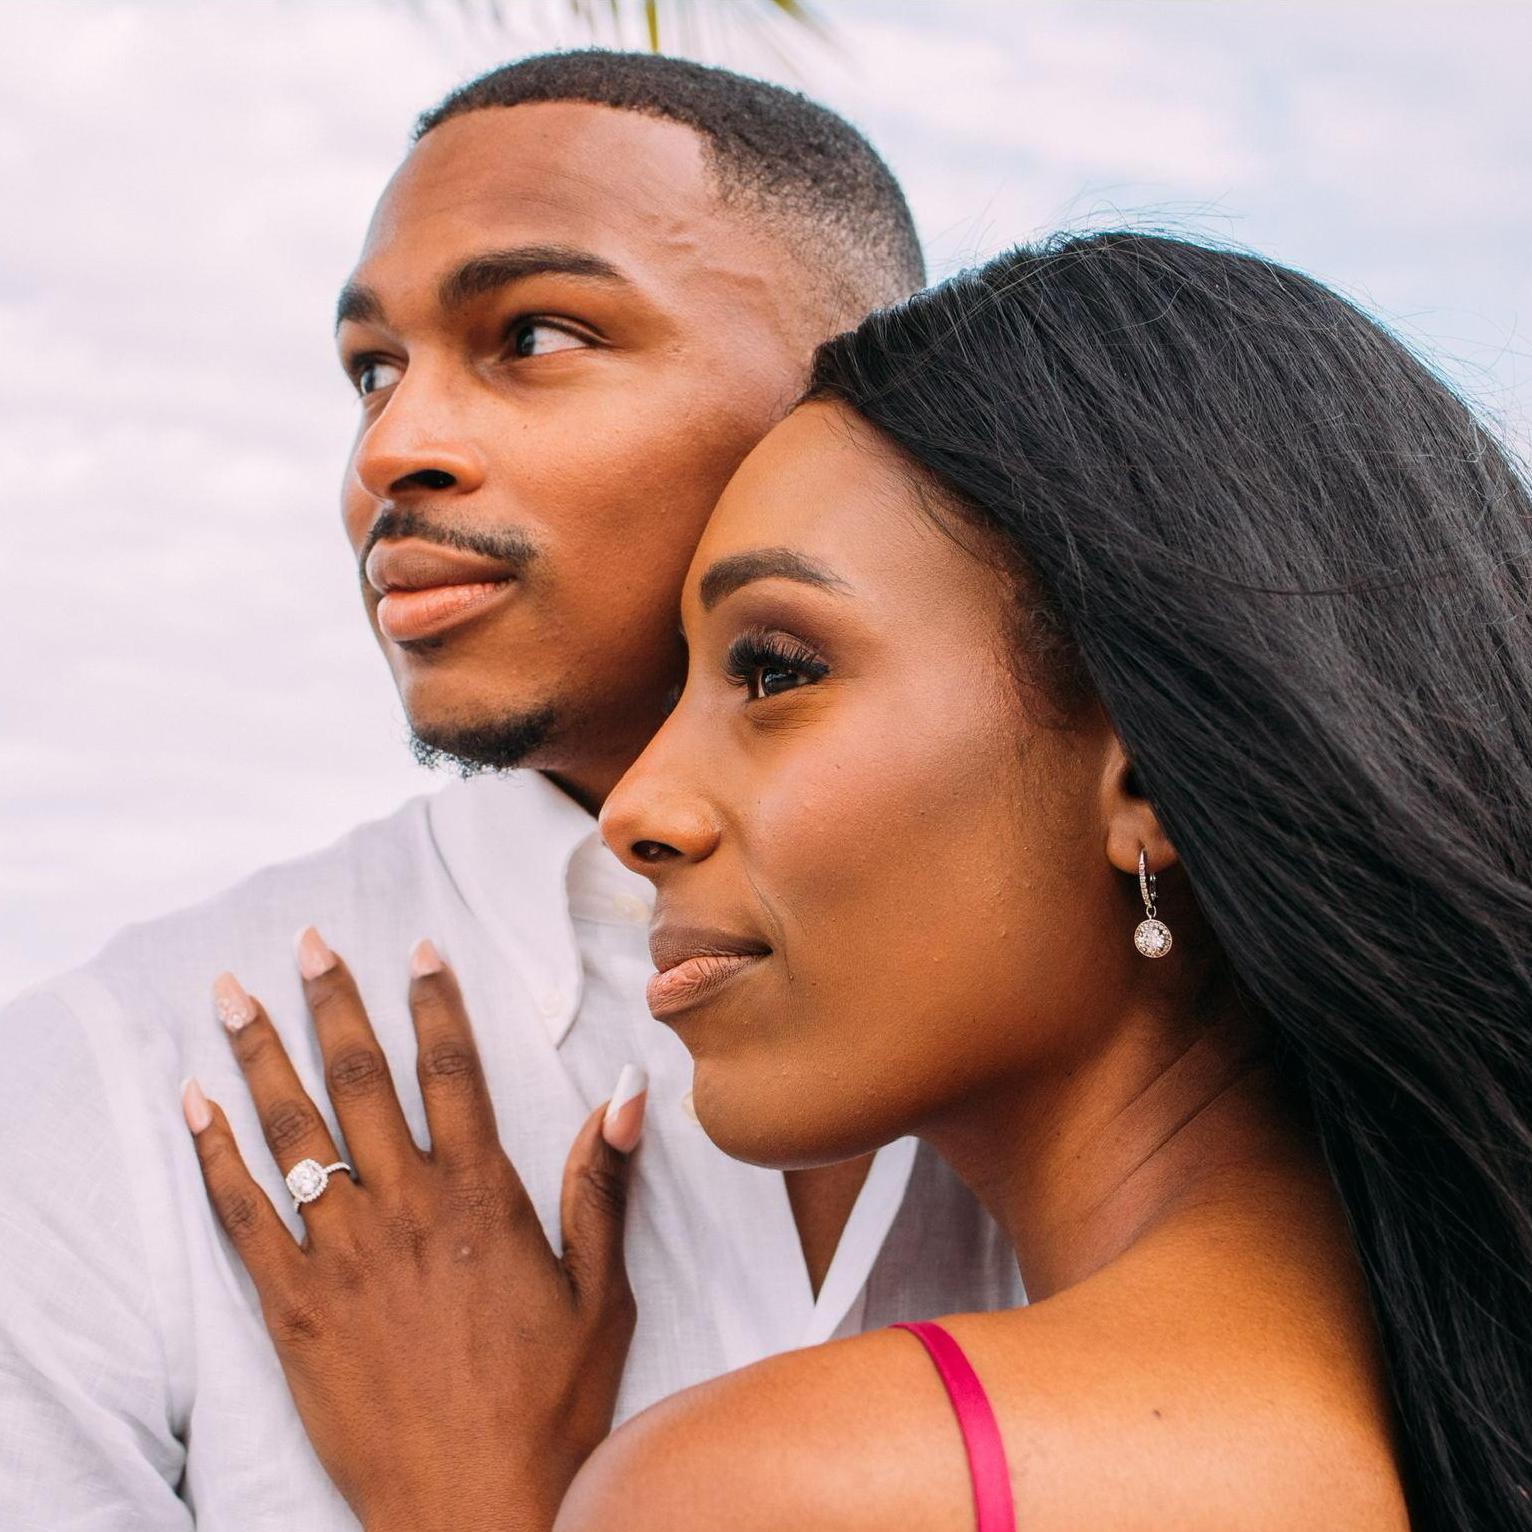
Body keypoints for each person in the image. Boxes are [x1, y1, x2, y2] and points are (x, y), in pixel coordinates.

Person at [188, 233, 1532, 1529]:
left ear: (1147, 784)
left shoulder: (782, 1489)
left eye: (774, 670)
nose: (637, 813)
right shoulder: (1438, 1422)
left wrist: (466, 1503)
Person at [0, 53, 1022, 1528]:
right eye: (371, 370)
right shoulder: (105, 1097)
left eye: (533, 335)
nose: (389, 452)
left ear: (847, 402)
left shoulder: (1161, 1034)